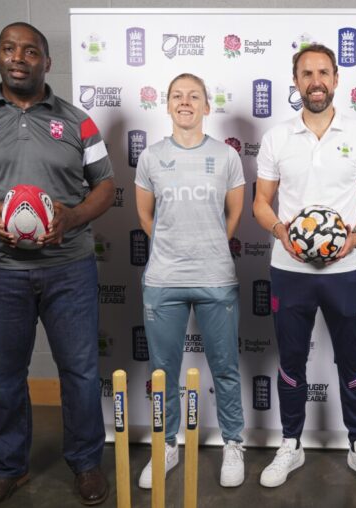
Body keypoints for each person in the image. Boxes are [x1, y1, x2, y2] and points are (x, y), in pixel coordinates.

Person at [0, 22, 115, 507]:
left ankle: (85, 463)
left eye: (30, 51)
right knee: (5, 374)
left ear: (46, 62)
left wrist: (74, 216)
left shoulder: (79, 122)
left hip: (69, 268)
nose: (19, 58)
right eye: (10, 49)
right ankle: (10, 468)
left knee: (78, 370)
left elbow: (105, 185)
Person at [253, 44, 356, 492]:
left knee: (351, 359)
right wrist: (280, 232)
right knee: (291, 361)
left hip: (344, 269)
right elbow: (260, 202)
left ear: (335, 79)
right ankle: (291, 443)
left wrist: (352, 239)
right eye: (307, 73)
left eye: (323, 72)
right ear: (295, 81)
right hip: (290, 269)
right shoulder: (276, 137)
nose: (316, 80)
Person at [135, 73, 247, 488]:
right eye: (177, 96)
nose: (185, 102)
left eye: (194, 96)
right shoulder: (150, 158)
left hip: (216, 277)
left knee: (226, 368)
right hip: (164, 279)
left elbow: (234, 213)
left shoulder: (226, 157)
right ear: (166, 105)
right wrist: (173, 245)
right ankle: (166, 444)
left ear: (206, 106)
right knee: (163, 370)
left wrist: (211, 244)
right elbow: (145, 216)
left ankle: (233, 442)